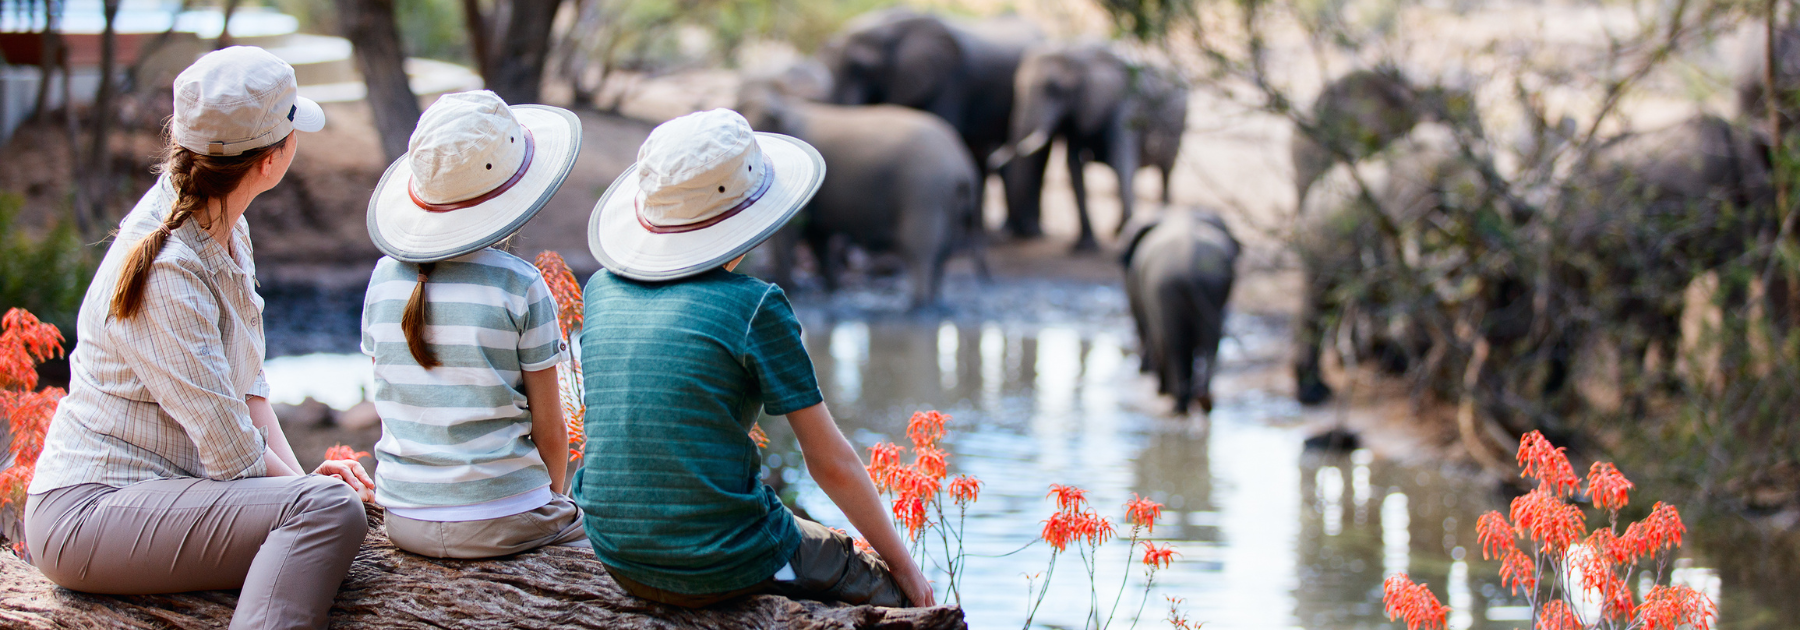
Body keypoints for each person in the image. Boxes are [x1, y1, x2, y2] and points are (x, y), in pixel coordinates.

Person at [23, 47, 373, 630]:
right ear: (269, 160)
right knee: (331, 511)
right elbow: (232, 452)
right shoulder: (168, 265)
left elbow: (249, 392)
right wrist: (308, 499)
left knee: (325, 505)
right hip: (89, 516)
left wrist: (301, 486)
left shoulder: (224, 226)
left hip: (157, 501)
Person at [577, 109, 935, 608]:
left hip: (617, 554)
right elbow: (830, 462)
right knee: (887, 589)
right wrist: (906, 569)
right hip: (720, 563)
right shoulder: (754, 305)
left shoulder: (600, 289)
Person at [358, 90, 589, 558]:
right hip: (503, 517)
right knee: (598, 530)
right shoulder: (520, 284)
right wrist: (552, 500)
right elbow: (550, 428)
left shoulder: (383, 276)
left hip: (404, 517)